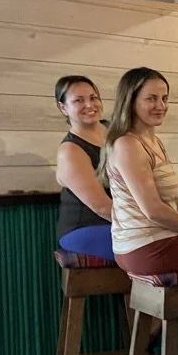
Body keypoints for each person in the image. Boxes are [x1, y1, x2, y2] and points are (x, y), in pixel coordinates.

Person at [100, 67, 178, 275]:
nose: (161, 106)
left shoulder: (152, 141)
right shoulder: (127, 144)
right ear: (130, 101)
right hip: (145, 246)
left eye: (165, 98)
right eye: (151, 99)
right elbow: (153, 210)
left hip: (157, 241)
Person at [55, 76, 114, 261]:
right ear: (63, 108)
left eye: (93, 97)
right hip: (86, 228)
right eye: (79, 100)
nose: (90, 105)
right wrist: (146, 223)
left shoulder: (114, 130)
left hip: (122, 223)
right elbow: (102, 207)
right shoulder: (70, 151)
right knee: (158, 246)